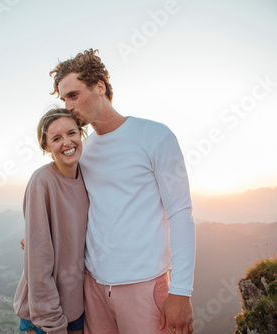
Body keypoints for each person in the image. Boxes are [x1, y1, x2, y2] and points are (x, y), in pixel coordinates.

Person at [49, 49, 196, 334]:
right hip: (92, 286)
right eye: (63, 98)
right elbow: (76, 207)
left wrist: (181, 291)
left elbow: (181, 213)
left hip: (144, 286)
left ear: (99, 87)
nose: (67, 106)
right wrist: (42, 233)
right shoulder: (83, 151)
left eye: (73, 95)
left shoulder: (155, 136)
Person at [13, 108, 89, 334]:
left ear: (81, 134)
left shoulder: (87, 177)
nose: (67, 142)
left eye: (71, 133)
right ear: (46, 147)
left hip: (76, 309)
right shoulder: (42, 182)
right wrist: (52, 323)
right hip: (44, 318)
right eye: (56, 138)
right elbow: (39, 264)